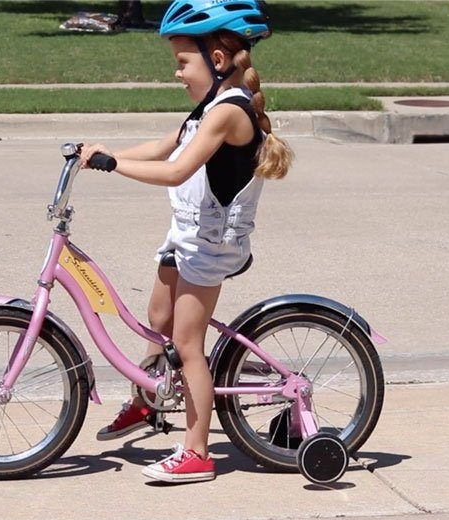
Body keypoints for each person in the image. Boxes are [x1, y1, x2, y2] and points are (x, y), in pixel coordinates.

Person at [79, 0, 293, 483]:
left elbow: (177, 170)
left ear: (216, 60)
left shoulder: (229, 112)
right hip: (188, 233)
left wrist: (115, 166)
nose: (177, 73)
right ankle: (149, 399)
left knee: (187, 345)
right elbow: (164, 147)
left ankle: (197, 453)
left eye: (182, 62)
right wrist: (103, 153)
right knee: (158, 319)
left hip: (211, 244)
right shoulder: (209, 106)